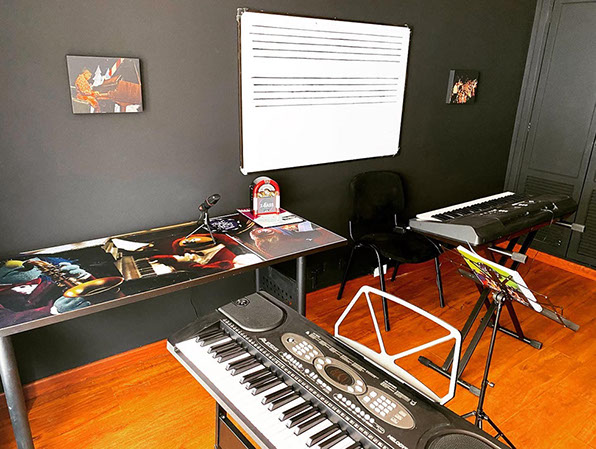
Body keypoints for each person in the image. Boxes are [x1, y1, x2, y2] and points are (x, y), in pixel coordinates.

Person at [0, 258, 92, 327]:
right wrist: (52, 311)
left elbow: (95, 294)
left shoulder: (47, 285)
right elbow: (5, 320)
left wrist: (86, 279)